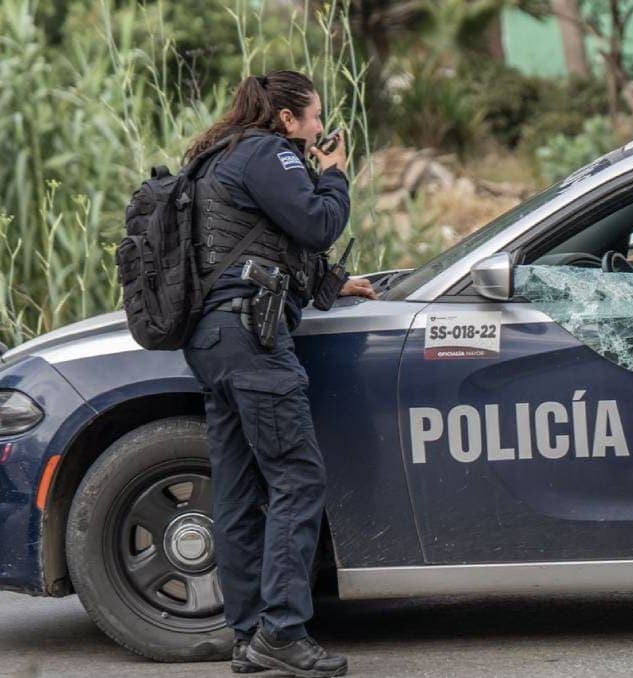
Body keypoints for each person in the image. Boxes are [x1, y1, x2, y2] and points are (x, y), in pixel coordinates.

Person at [181, 70, 375, 677]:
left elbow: (257, 244)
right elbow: (317, 224)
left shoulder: (219, 159)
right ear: (287, 118)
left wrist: (337, 283)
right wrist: (337, 173)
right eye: (314, 116)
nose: (320, 128)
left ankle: (248, 635)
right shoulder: (269, 151)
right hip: (252, 340)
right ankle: (284, 632)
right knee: (297, 477)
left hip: (214, 338)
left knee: (240, 489)